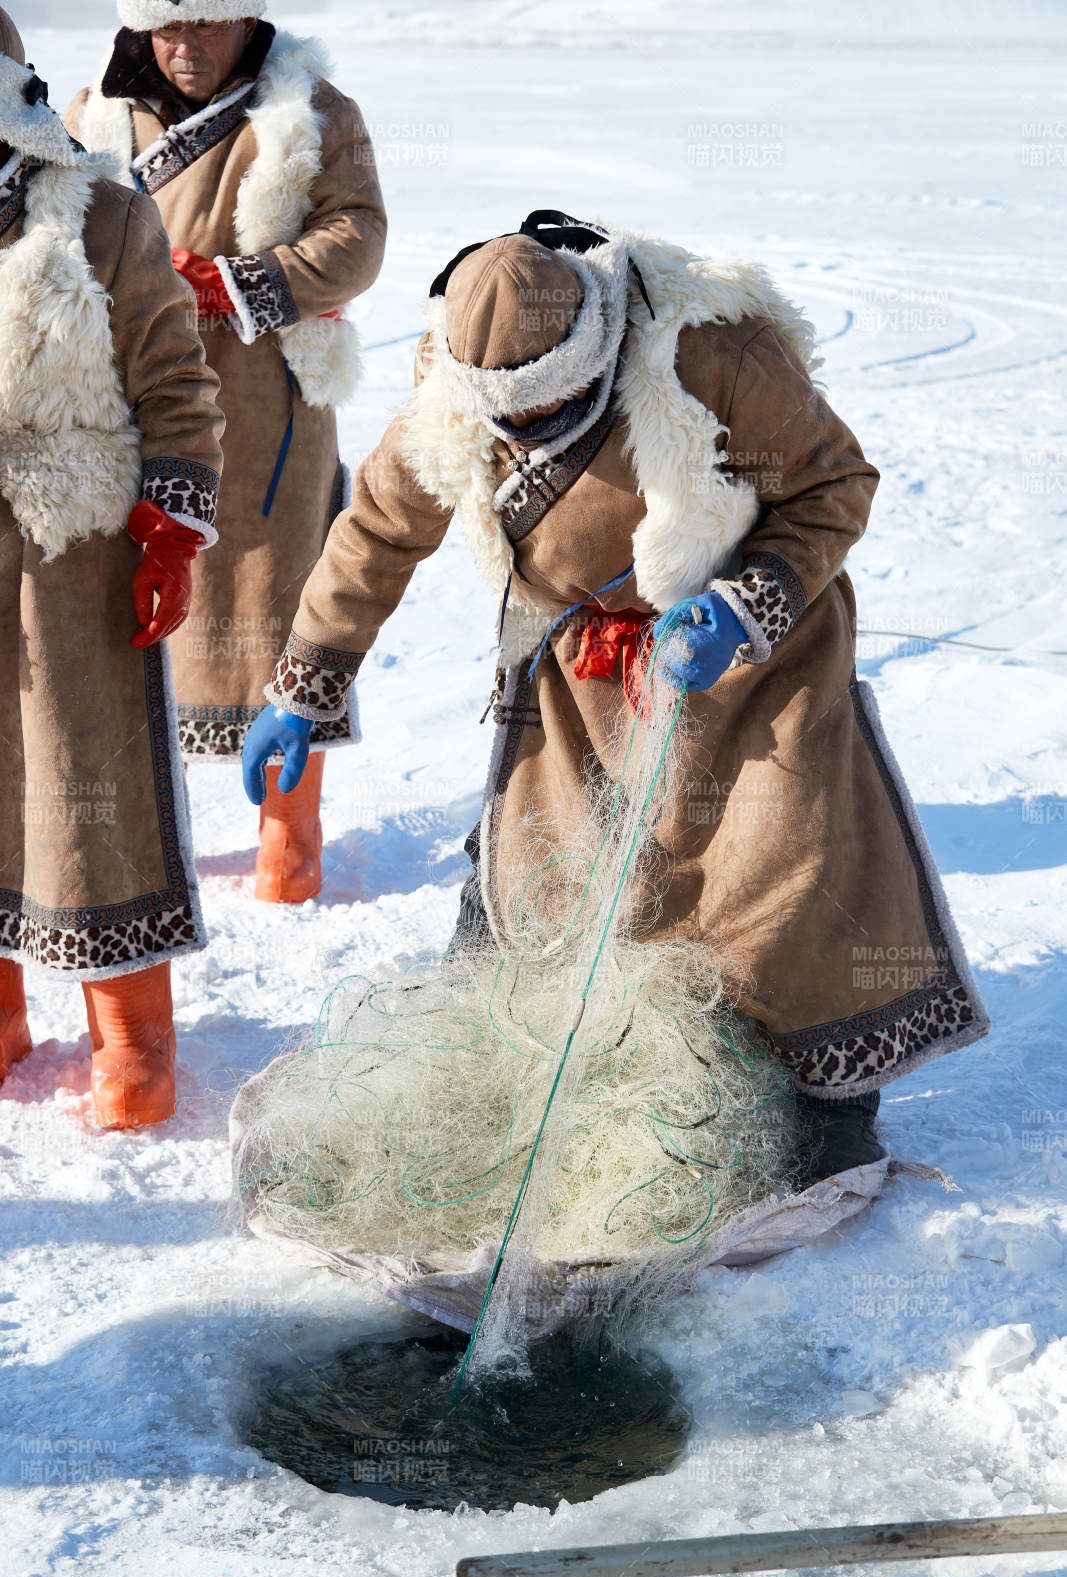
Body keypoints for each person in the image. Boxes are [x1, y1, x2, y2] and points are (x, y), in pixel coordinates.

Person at [243, 211, 990, 1183]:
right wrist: (305, 682)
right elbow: (378, 531)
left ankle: (826, 1104)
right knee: (545, 876)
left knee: (781, 879)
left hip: (753, 660)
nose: (519, 434)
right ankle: (542, 1066)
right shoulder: (450, 383)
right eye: (502, 421)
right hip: (578, 671)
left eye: (544, 414)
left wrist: (739, 602)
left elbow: (833, 483)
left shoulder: (708, 348)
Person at [66, 0, 387, 901]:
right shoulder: (97, 110)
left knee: (277, 598)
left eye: (206, 24)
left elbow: (357, 238)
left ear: (247, 18)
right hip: (129, 399)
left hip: (261, 402)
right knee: (120, 609)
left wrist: (240, 283)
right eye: (169, 28)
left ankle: (289, 832)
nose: (185, 47)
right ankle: (128, 834)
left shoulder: (316, 111)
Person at [0, 9, 224, 1127]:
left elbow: (177, 386)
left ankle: (133, 1030)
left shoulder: (104, 211)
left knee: (93, 785)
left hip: (73, 550)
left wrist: (171, 528)